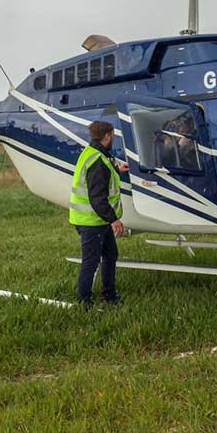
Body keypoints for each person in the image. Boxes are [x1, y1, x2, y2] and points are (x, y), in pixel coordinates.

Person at [69, 120, 130, 307]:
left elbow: (102, 176)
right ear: (107, 136)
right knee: (91, 262)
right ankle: (83, 302)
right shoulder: (97, 161)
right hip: (91, 221)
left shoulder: (95, 154)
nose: (113, 138)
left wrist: (117, 170)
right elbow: (97, 198)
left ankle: (109, 296)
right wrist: (114, 220)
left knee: (111, 255)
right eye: (112, 135)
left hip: (98, 221)